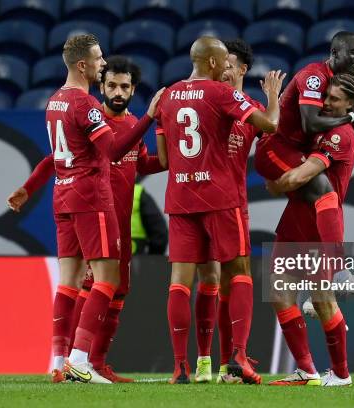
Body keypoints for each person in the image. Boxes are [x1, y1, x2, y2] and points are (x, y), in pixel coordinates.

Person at [6, 35, 164, 384]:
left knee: (69, 282)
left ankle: (60, 361)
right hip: (91, 197)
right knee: (106, 280)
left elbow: (57, 156)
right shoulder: (85, 103)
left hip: (62, 197)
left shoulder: (54, 101)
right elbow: (112, 151)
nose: (102, 62)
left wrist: (29, 187)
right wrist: (150, 117)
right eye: (98, 58)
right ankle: (81, 360)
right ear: (83, 65)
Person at [154, 36, 285, 384]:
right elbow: (271, 125)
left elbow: (165, 159)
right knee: (238, 271)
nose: (225, 67)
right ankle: (238, 357)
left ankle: (181, 366)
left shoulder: (168, 95)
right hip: (221, 198)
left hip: (180, 198)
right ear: (213, 63)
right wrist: (274, 97)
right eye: (222, 61)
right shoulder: (222, 94)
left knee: (180, 282)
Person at [266, 75, 354, 387]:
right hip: (295, 219)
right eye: (325, 97)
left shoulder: (342, 134)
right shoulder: (317, 129)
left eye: (334, 99)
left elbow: (299, 177)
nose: (326, 103)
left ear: (350, 103)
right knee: (281, 293)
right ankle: (306, 372)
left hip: (321, 223)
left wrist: (279, 181)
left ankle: (341, 374)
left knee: (322, 299)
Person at [191, 38, 266, 384]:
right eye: (220, 63)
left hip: (233, 201)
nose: (223, 69)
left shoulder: (251, 110)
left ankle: (228, 364)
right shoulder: (203, 100)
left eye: (230, 63)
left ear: (243, 70)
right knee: (216, 278)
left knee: (227, 281)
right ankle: (218, 359)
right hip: (205, 202)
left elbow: (273, 143)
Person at [254, 31, 354, 208]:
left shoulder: (347, 84)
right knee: (325, 194)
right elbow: (310, 124)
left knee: (307, 208)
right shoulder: (314, 76)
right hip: (277, 146)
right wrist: (350, 117)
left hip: (301, 151)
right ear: (335, 53)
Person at [130, 182, 168, 255]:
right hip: (136, 260)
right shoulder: (137, 193)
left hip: (106, 260)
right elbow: (160, 234)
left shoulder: (102, 191)